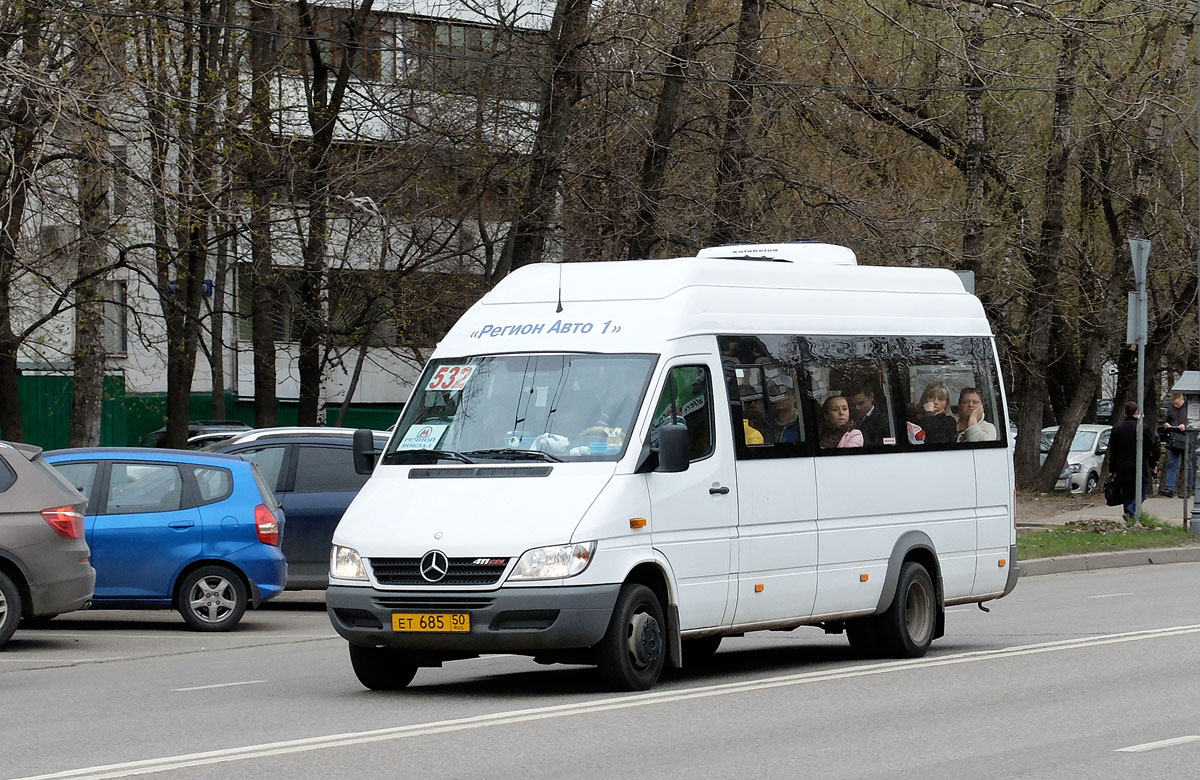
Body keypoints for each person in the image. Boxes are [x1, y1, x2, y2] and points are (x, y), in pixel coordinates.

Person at [1109, 401, 1159, 521]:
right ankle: (1131, 511)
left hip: (1121, 466)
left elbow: (1113, 451)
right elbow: (1150, 448)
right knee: (1140, 492)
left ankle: (1129, 516)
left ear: (1125, 412)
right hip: (1138, 465)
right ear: (1137, 412)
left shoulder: (1117, 429)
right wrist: (1153, 464)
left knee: (1126, 492)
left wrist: (1112, 469)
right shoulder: (1142, 429)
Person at [1161, 392, 1193, 497]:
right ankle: (1170, 488)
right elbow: (1167, 420)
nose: (1175, 405)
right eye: (1174, 403)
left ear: (1181, 400)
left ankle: (1187, 489)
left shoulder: (1189, 407)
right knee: (1172, 464)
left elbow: (1194, 421)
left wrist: (1186, 425)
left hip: (1187, 438)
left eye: (1177, 403)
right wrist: (1166, 424)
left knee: (1188, 465)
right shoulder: (1171, 409)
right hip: (1174, 438)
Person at [764, 375, 802, 444]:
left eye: (783, 393)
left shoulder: (802, 423)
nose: (778, 397)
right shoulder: (766, 424)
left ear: (794, 396)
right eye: (774, 393)